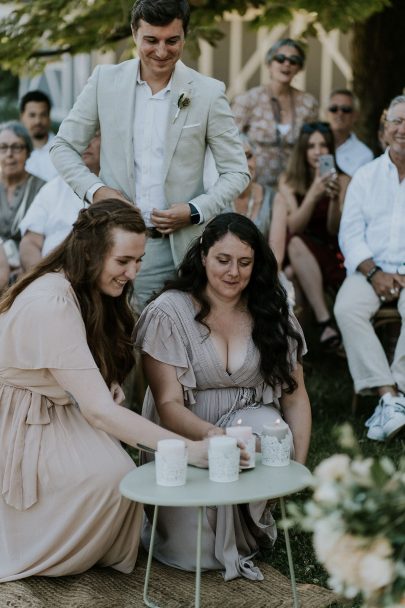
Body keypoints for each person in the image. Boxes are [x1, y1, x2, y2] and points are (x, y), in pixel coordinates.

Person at [0, 199, 210, 582]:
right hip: (19, 415)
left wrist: (101, 383)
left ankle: (93, 548)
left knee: (120, 475)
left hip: (57, 406)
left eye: (139, 260)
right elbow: (99, 412)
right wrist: (189, 450)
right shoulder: (50, 300)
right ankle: (40, 546)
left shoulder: (80, 284)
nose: (133, 272)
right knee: (111, 480)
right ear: (90, 252)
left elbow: (80, 378)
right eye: (123, 261)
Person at [135, 212, 311, 581]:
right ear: (203, 256)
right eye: (223, 260)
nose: (234, 272)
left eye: (245, 262)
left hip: (251, 422)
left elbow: (295, 398)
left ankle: (253, 518)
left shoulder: (271, 310)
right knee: (192, 556)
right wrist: (216, 440)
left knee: (271, 432)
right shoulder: (169, 312)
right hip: (185, 431)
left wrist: (296, 468)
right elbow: (167, 404)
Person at [50, 0, 249, 311]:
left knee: (167, 348)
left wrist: (195, 209)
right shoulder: (105, 80)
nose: (161, 51)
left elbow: (237, 172)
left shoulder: (208, 92)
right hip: (111, 245)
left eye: (172, 41)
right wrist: (98, 192)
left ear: (185, 35)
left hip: (178, 248)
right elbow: (62, 147)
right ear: (134, 34)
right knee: (111, 345)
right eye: (151, 40)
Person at [334, 95, 405, 442]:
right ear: (386, 126)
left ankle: (395, 398)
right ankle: (389, 397)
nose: (403, 129)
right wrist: (375, 273)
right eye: (398, 121)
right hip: (369, 270)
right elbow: (349, 233)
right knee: (346, 307)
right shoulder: (366, 175)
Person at [276, 122, 350, 349]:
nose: (318, 152)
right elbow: (295, 226)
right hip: (298, 247)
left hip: (331, 250)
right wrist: (314, 194)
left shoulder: (344, 180)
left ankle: (295, 342)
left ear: (331, 149)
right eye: (311, 146)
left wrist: (334, 200)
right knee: (296, 244)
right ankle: (325, 321)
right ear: (302, 150)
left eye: (323, 146)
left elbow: (334, 229)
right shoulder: (288, 180)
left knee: (290, 272)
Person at [232, 38, 318, 189]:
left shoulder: (308, 103)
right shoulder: (248, 99)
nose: (287, 64)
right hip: (254, 185)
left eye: (294, 60)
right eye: (280, 59)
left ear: (299, 68)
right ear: (269, 64)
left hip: (294, 187)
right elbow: (229, 141)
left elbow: (313, 145)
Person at [19, 133, 101, 271]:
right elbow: (30, 242)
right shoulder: (53, 188)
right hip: (49, 276)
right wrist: (40, 277)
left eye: (94, 135)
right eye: (82, 134)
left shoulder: (121, 187)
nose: (86, 142)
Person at [0, 121, 45, 272]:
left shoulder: (42, 189)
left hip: (29, 268)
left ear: (28, 152)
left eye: (16, 147)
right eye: (3, 147)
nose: (9, 154)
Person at [326, 89, 373, 177]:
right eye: (333, 109)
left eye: (346, 109)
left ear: (355, 116)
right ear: (326, 113)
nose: (339, 113)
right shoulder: (313, 146)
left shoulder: (365, 155)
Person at [19, 90, 58, 182]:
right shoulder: (13, 152)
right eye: (32, 115)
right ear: (21, 117)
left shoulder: (63, 150)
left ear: (49, 117)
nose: (38, 121)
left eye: (43, 115)